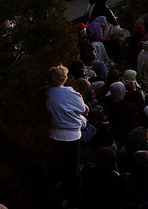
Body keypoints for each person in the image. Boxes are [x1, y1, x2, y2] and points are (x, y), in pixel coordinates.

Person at [46, 65, 89, 209]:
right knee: (72, 170)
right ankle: (72, 199)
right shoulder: (71, 93)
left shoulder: (47, 94)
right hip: (72, 136)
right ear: (64, 78)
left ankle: (56, 196)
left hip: (54, 134)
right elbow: (82, 109)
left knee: (58, 167)